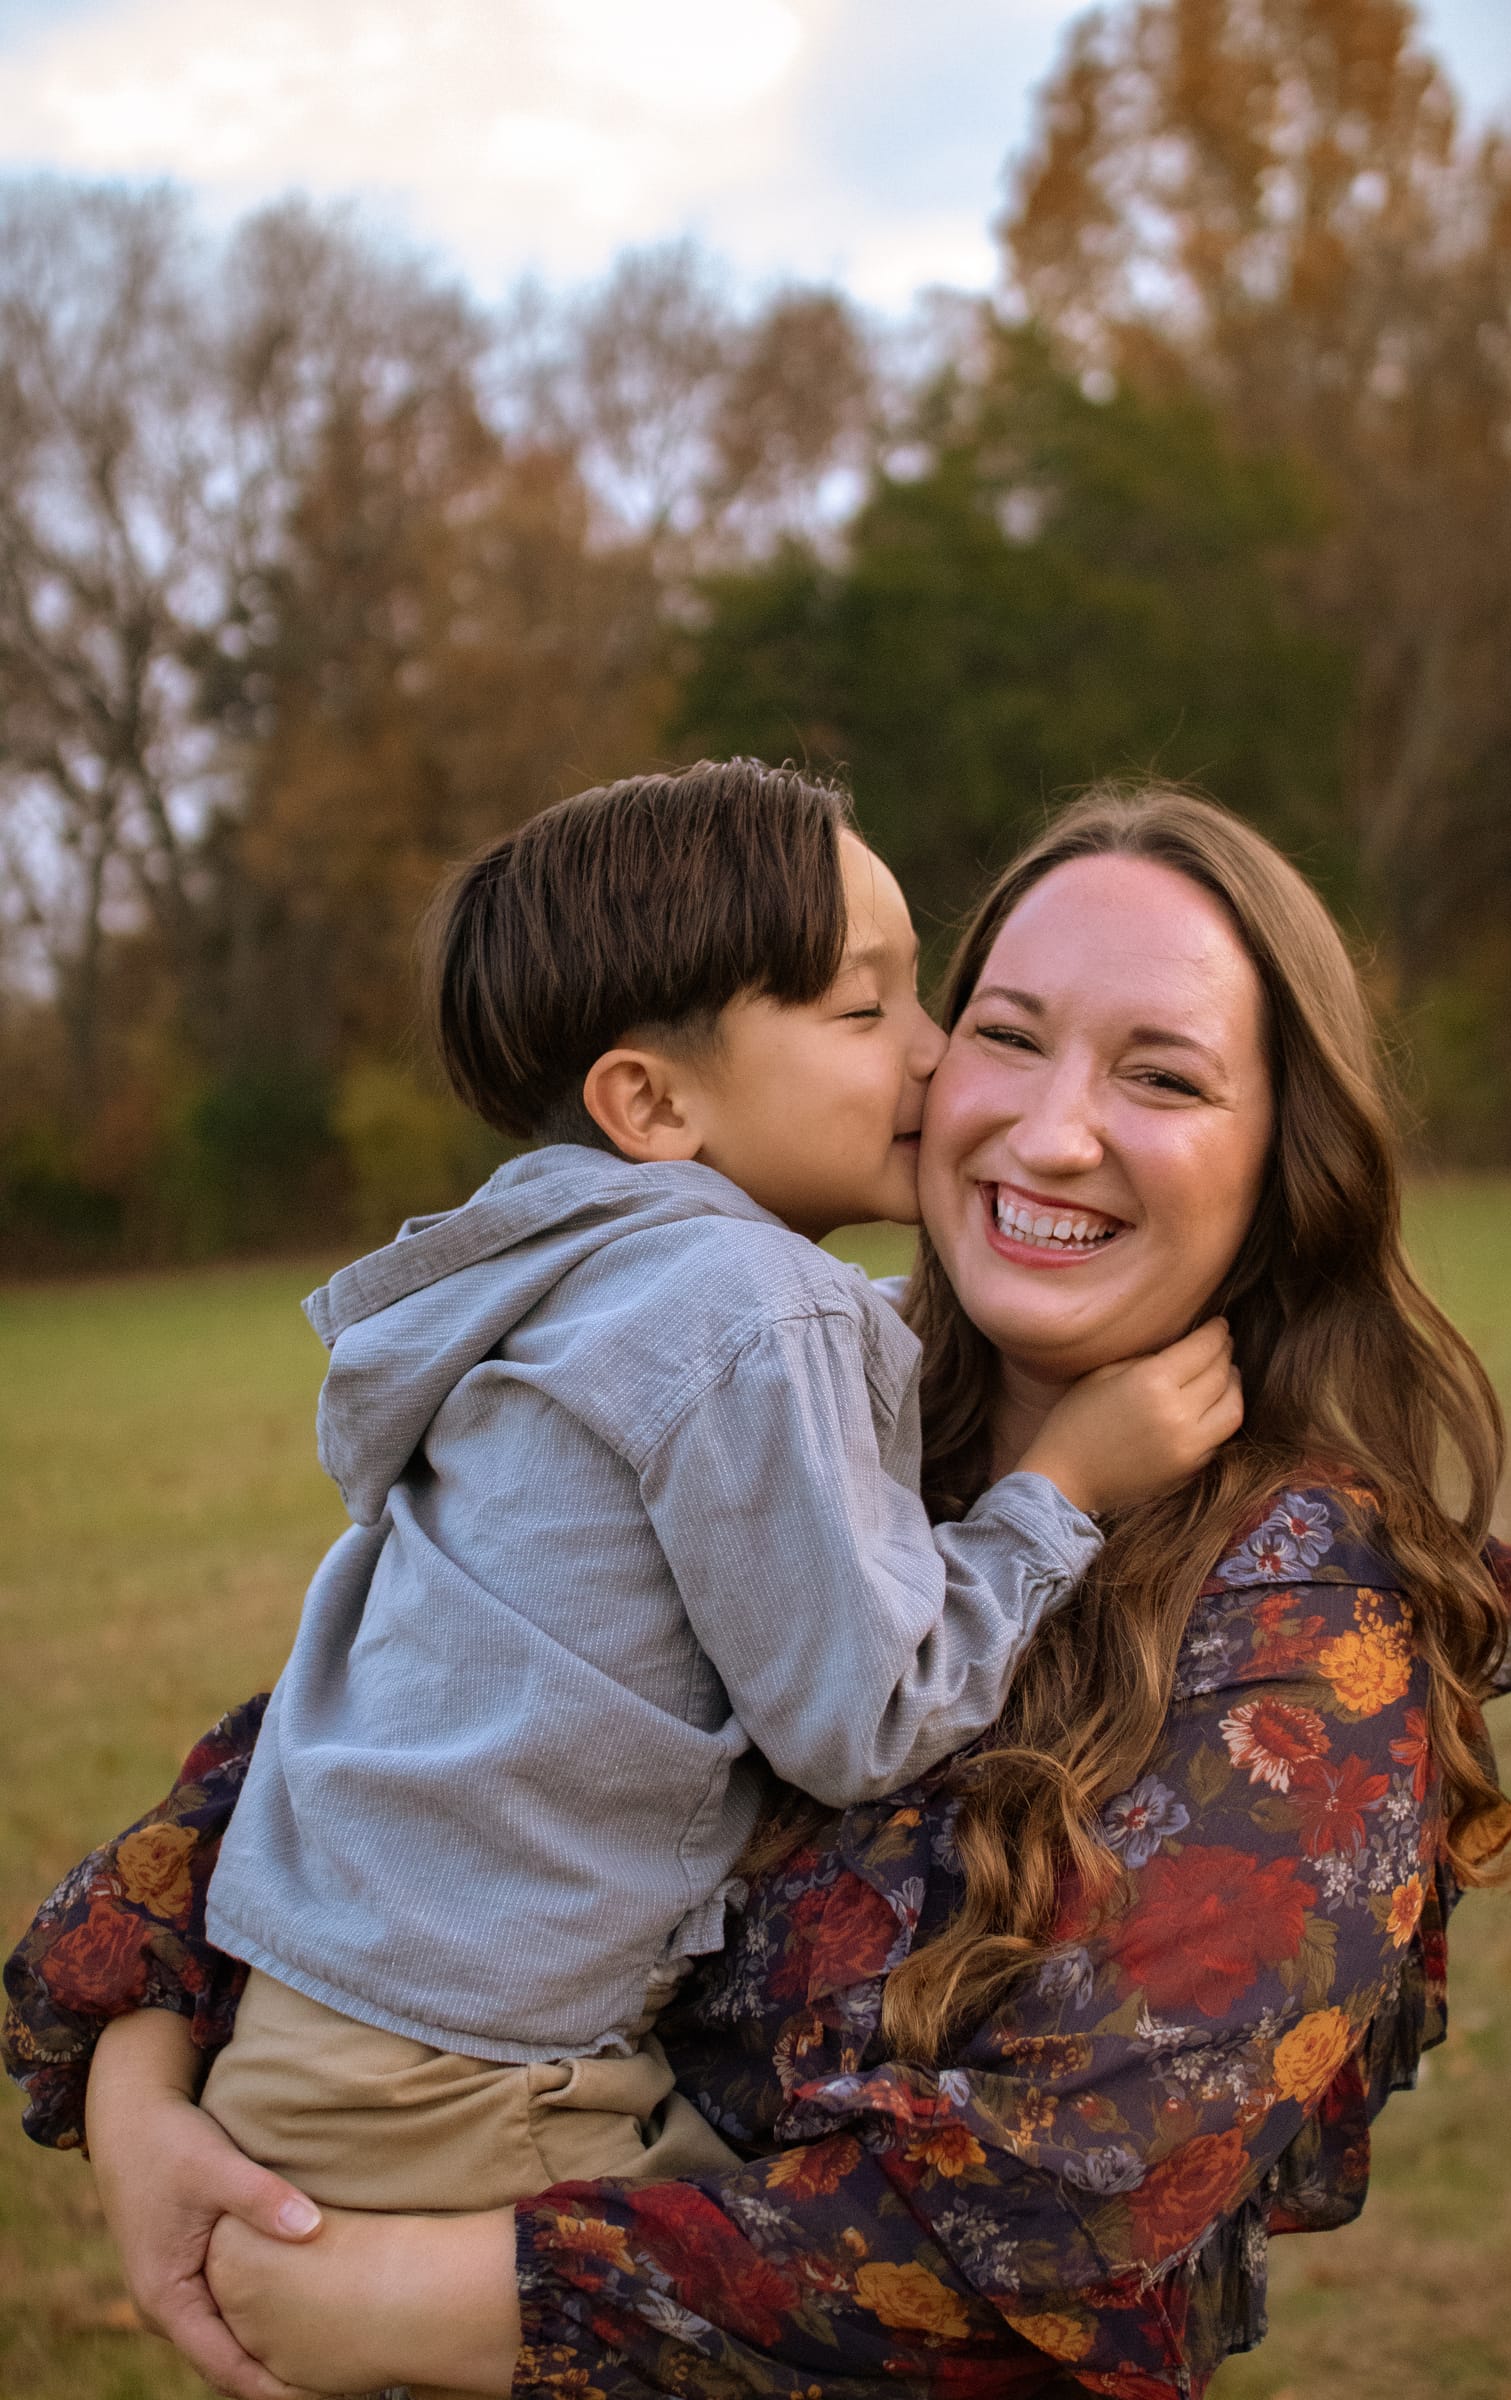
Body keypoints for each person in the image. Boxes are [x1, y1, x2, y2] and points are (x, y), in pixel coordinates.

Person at [4, 784, 1511, 2400]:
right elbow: (369, 1729)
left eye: (1163, 1075)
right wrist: (143, 2100)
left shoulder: (1308, 1650)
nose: (1047, 1128)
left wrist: (384, 2298)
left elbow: (1033, 2232)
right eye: (1006, 1034)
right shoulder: (795, 1381)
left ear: (1283, 1156)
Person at [147, 759, 1241, 2242]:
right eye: (870, 1011)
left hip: (323, 2032)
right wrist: (1060, 1488)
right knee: (841, 2285)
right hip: (467, 2087)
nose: (936, 1057)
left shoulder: (568, 1277)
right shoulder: (751, 1311)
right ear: (651, 1100)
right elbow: (865, 1716)